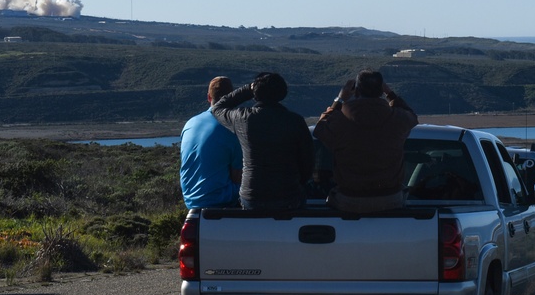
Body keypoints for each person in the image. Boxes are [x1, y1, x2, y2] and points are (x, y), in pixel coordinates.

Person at [313, 70, 418, 212]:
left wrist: (339, 100)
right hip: (390, 199)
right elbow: (411, 115)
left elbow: (320, 129)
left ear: (356, 91)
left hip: (349, 199)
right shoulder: (397, 119)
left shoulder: (340, 120)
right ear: (381, 90)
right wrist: (390, 93)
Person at [212, 72, 314, 210]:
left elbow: (217, 108)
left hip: (252, 197)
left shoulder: (242, 118)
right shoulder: (295, 121)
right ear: (282, 93)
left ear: (256, 93)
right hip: (288, 196)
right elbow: (308, 160)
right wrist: (297, 183)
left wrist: (248, 89)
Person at [179, 76, 242, 209]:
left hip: (191, 201)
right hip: (221, 201)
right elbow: (238, 176)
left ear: (209, 97)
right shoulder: (231, 127)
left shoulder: (190, 123)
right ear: (233, 97)